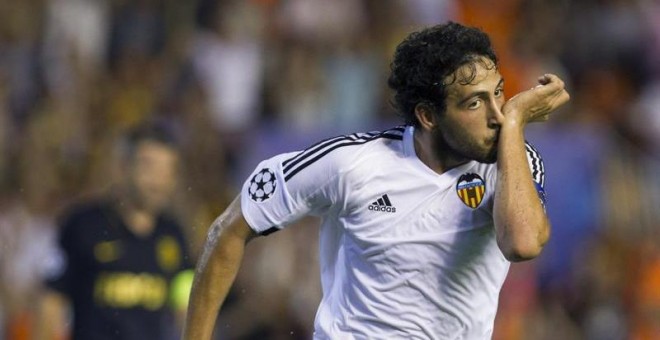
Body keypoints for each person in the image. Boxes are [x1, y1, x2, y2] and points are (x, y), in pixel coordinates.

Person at [184, 22, 570, 339]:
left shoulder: (511, 160)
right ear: (428, 116)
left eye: (499, 94)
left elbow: (522, 243)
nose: (497, 115)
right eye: (474, 103)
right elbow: (230, 228)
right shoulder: (351, 164)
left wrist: (517, 120)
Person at [41, 123, 194, 340]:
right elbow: (51, 303)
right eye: (149, 167)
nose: (159, 181)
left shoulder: (174, 235)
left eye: (167, 170)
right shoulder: (82, 226)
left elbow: (186, 307)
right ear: (123, 167)